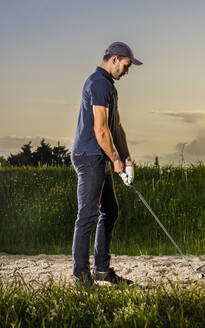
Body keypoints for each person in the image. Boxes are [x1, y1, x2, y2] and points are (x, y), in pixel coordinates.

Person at [70, 41, 143, 286]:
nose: (127, 71)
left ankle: (102, 270)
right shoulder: (98, 83)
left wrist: (127, 159)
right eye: (126, 65)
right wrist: (116, 161)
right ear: (114, 59)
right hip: (89, 157)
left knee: (110, 211)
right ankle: (82, 277)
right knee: (87, 216)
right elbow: (100, 130)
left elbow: (117, 128)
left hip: (100, 156)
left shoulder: (109, 87)